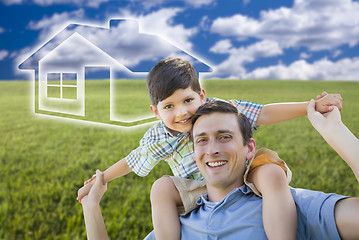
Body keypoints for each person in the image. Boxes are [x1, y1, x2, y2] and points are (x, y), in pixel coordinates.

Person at [77, 57, 343, 240]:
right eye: (169, 106)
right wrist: (101, 179)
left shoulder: (220, 110)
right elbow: (133, 160)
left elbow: (263, 112)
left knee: (271, 174)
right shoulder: (158, 137)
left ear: (202, 96)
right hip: (197, 187)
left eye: (188, 100)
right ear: (155, 112)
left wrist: (310, 107)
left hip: (242, 171)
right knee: (161, 188)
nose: (182, 113)